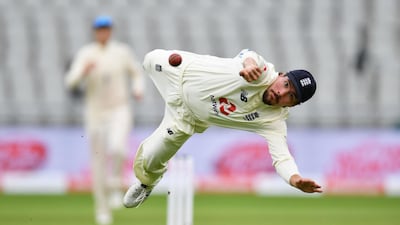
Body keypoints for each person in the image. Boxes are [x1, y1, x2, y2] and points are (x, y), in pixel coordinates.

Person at [123, 49, 322, 208]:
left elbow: (282, 158)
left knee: (151, 158)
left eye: (291, 96)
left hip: (185, 119)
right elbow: (250, 55)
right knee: (149, 58)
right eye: (286, 83)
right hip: (180, 72)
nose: (282, 92)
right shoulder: (261, 73)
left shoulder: (273, 121)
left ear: (291, 106)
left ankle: (146, 184)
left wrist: (294, 180)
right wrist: (249, 65)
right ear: (281, 75)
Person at [65, 15, 144, 225]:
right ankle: (102, 210)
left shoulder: (122, 51)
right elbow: (70, 82)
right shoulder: (86, 53)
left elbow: (136, 73)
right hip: (95, 113)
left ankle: (116, 182)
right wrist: (83, 71)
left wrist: (137, 89)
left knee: (118, 148)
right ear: (94, 32)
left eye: (107, 29)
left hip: (120, 108)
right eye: (100, 29)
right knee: (98, 163)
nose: (103, 33)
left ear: (111, 31)